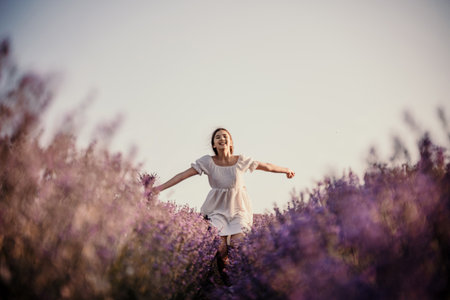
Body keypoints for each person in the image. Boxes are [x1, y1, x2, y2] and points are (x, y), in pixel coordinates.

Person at [154, 128, 295, 282]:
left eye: (225, 136)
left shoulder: (241, 160)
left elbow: (266, 166)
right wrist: (157, 189)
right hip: (216, 210)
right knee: (220, 249)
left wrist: (286, 170)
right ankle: (227, 282)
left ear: (231, 142)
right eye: (218, 137)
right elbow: (182, 175)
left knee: (238, 246)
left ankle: (240, 281)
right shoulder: (207, 162)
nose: (222, 139)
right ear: (214, 144)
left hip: (239, 210)